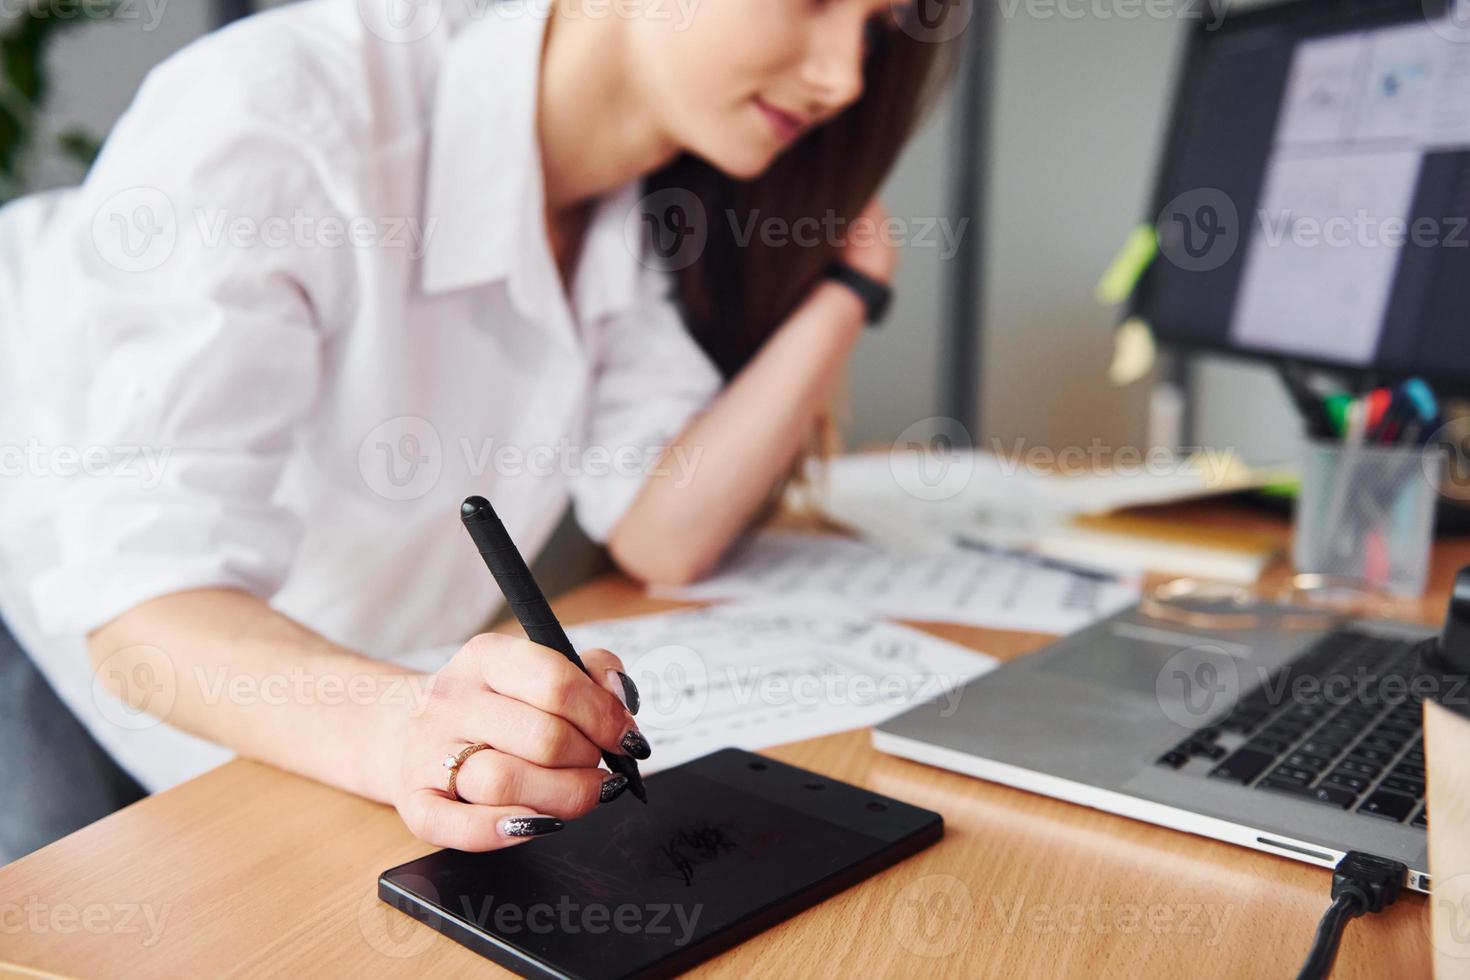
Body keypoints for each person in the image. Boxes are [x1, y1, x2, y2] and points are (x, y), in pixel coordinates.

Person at [0, 0, 961, 857]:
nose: (845, 77)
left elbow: (661, 528)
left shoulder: (647, 207)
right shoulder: (279, 111)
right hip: (59, 615)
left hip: (321, 673)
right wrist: (405, 726)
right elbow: (142, 613)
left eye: (881, 27)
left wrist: (846, 291)